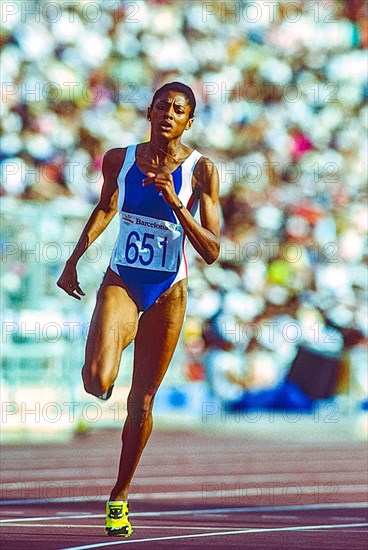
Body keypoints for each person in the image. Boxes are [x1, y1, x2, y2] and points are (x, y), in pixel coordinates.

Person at [57, 82, 220, 537]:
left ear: (189, 121)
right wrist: (74, 259)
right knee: (96, 381)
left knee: (142, 401)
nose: (169, 113)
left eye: (180, 109)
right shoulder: (119, 159)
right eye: (163, 106)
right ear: (149, 112)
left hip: (169, 291)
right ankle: (110, 354)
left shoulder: (202, 170)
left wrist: (176, 205)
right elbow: (107, 206)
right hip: (123, 279)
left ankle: (119, 496)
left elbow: (212, 249)